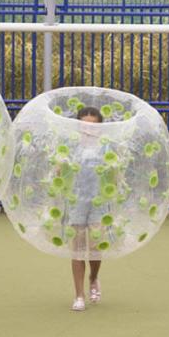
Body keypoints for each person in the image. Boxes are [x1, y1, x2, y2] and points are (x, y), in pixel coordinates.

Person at [67, 106, 107, 311]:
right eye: (84, 125)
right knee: (77, 248)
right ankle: (79, 295)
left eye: (93, 126)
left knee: (96, 246)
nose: (89, 129)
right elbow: (59, 172)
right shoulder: (71, 148)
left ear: (100, 128)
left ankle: (94, 277)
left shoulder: (106, 149)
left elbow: (116, 176)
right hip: (77, 201)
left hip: (99, 201)